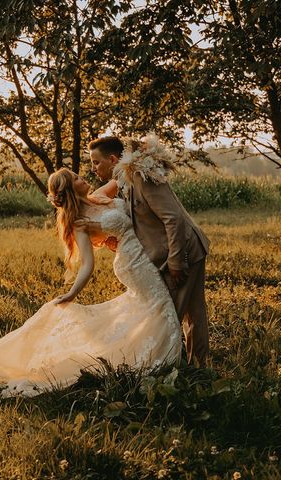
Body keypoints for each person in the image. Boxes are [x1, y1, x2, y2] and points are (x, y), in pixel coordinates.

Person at [0, 167, 181, 397]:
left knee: (151, 309)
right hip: (133, 264)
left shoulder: (100, 195)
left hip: (145, 254)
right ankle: (163, 362)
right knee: (162, 306)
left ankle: (150, 354)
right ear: (71, 189)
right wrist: (72, 293)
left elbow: (121, 176)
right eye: (76, 178)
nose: (83, 178)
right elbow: (87, 265)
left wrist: (139, 159)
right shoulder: (79, 222)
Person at [89, 134, 210, 366]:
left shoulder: (140, 176)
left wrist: (176, 261)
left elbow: (173, 218)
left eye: (96, 162)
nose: (93, 168)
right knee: (193, 314)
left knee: (169, 315)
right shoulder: (126, 179)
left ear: (113, 159)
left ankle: (168, 368)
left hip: (184, 250)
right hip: (184, 248)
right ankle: (199, 367)